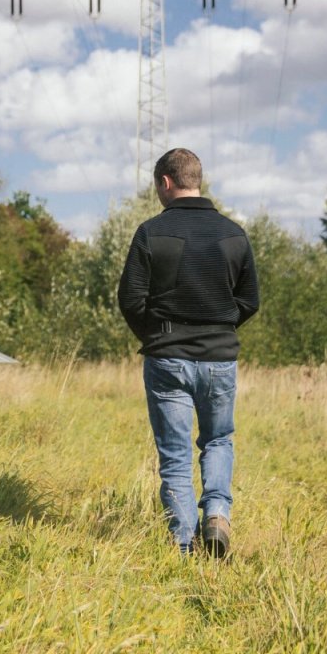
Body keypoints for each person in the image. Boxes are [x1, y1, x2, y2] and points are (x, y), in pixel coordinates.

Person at [117, 148, 259, 559]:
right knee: (218, 440)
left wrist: (159, 335)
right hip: (220, 358)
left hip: (166, 358)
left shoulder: (149, 232)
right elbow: (249, 300)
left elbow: (130, 298)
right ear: (198, 178)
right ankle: (217, 515)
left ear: (165, 182)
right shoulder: (234, 234)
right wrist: (220, 328)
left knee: (175, 456)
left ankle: (183, 547)